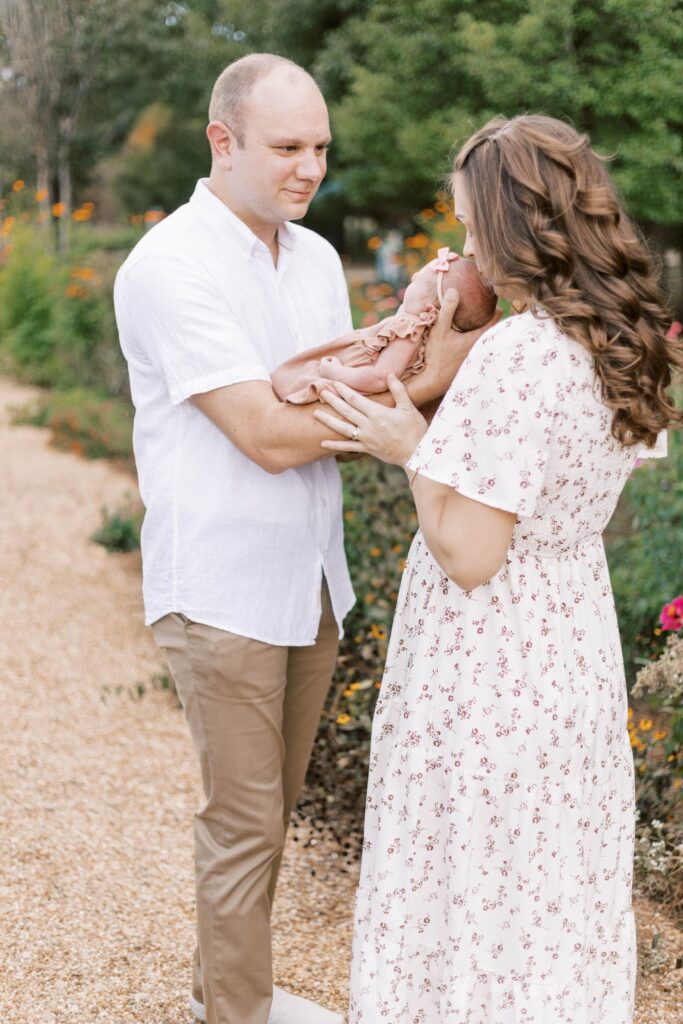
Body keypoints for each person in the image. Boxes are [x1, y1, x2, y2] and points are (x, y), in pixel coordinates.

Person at [114, 53, 493, 1024]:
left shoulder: (317, 258)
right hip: (223, 582)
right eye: (287, 147)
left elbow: (349, 396)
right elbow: (271, 434)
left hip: (310, 579)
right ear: (221, 140)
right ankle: (236, 1012)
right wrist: (388, 381)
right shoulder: (169, 265)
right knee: (243, 822)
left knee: (270, 816)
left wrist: (424, 329)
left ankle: (220, 985)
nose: (309, 168)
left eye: (320, 147)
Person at [314, 114, 682, 1024]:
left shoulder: (518, 357)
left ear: (515, 225)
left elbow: (472, 554)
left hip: (488, 662)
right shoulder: (609, 342)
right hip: (569, 643)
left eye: (474, 223)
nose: (465, 243)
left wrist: (410, 446)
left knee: (469, 889)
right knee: (546, 897)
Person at [271, 249, 496, 403]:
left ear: (429, 312)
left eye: (418, 281)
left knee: (305, 378)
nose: (414, 275)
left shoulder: (409, 331)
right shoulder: (411, 324)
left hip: (353, 374)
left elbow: (380, 378)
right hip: (356, 372)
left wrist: (337, 373)